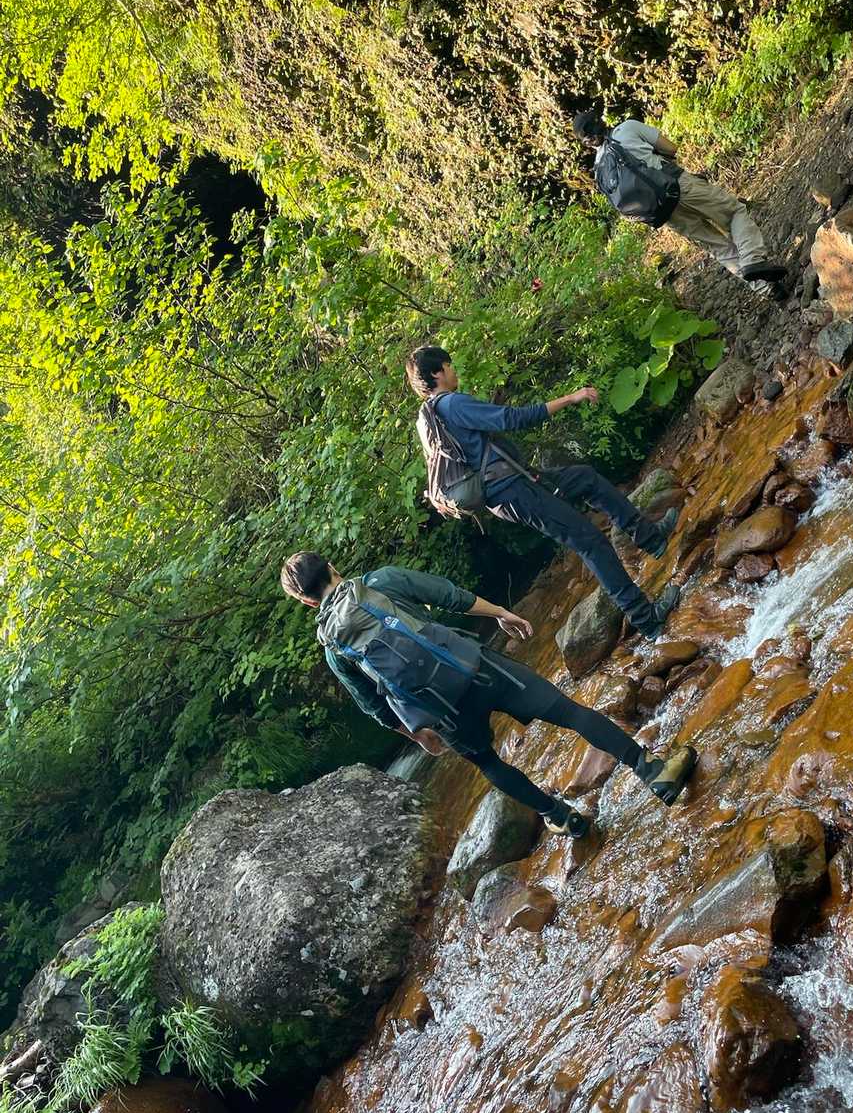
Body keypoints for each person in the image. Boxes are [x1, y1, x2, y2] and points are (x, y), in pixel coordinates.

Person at [280, 552, 698, 839]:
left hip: (443, 710)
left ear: (306, 600)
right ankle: (650, 770)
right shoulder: (380, 582)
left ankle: (561, 818)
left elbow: (375, 707)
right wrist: (500, 612)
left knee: (488, 763)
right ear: (332, 567)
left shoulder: (334, 649)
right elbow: (449, 595)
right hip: (477, 668)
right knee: (569, 713)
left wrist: (418, 735)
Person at [405, 345, 681, 640]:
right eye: (449, 365)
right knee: (590, 542)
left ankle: (650, 538)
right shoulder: (451, 404)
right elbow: (511, 419)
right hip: (513, 490)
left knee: (585, 479)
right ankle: (646, 619)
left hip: (511, 487)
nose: (453, 370)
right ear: (437, 373)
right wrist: (570, 398)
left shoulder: (427, 418)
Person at [573, 108, 788, 293]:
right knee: (734, 212)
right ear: (601, 122)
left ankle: (767, 289)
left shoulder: (599, 168)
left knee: (716, 245)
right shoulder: (627, 128)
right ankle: (752, 260)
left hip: (662, 212)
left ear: (586, 142)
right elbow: (670, 148)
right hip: (678, 185)